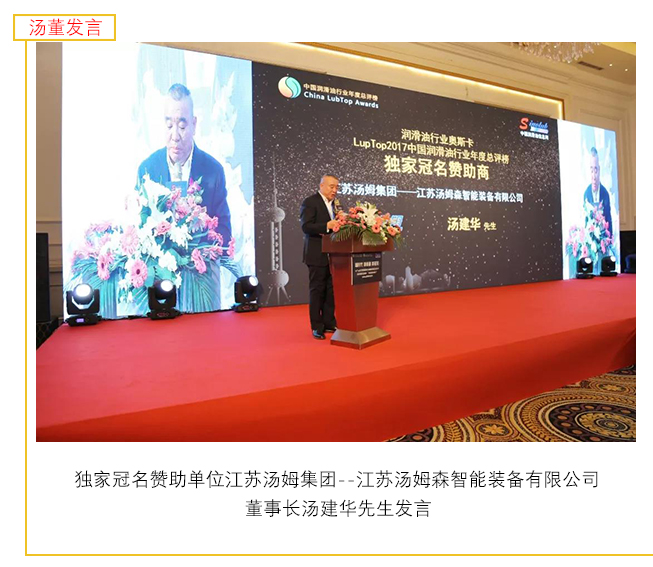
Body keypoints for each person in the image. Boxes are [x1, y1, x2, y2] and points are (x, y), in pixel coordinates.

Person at [136, 83, 232, 311]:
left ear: (194, 124)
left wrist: (198, 246)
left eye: (181, 125)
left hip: (201, 283)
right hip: (160, 286)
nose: (175, 136)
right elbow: (139, 226)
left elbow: (224, 231)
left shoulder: (213, 171)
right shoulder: (147, 169)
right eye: (169, 125)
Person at [300, 175, 341, 340]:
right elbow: (306, 226)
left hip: (333, 255)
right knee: (317, 290)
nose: (334, 190)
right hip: (316, 253)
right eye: (331, 187)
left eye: (337, 187)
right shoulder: (311, 202)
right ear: (322, 185)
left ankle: (329, 322)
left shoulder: (335, 205)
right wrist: (326, 226)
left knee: (331, 290)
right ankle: (317, 326)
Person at [583, 147, 613, 238]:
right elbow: (586, 223)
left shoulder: (605, 194)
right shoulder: (586, 194)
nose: (594, 176)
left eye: (595, 170)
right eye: (591, 170)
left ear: (599, 170)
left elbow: (609, 223)